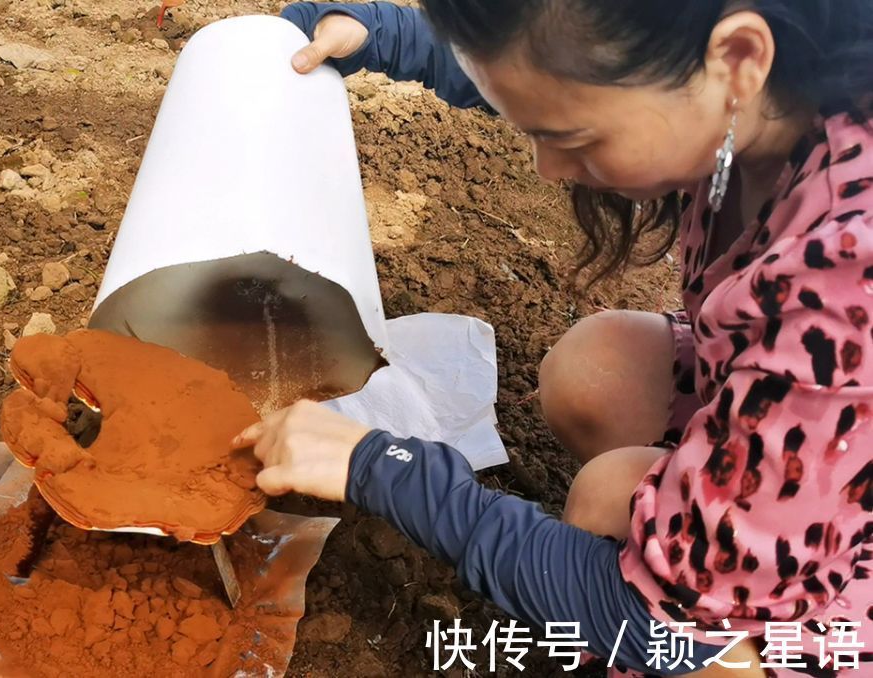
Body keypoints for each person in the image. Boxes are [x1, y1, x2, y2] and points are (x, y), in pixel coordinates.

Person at [233, 2, 873, 676]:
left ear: (738, 59)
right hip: (829, 442)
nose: (546, 167)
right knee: (599, 374)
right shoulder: (794, 79)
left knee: (633, 549)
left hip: (840, 530)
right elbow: (556, 54)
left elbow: (659, 620)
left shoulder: (846, 278)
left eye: (574, 137)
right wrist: (384, 37)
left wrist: (383, 469)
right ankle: (717, 522)